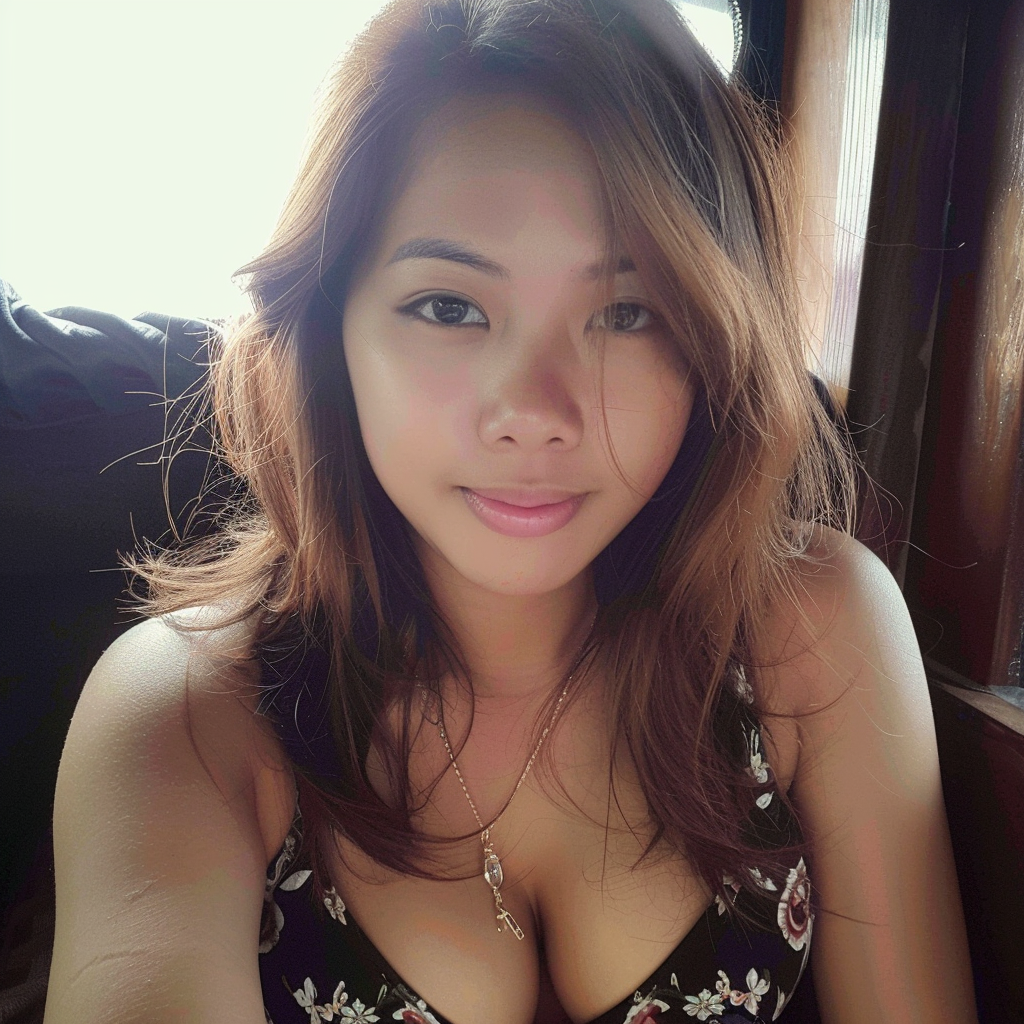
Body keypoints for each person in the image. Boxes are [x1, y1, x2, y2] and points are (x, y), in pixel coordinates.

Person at [42, 1, 978, 1022]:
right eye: (449, 306)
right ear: (329, 329)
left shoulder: (811, 635)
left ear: (714, 342)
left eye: (626, 313)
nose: (534, 414)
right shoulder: (191, 714)